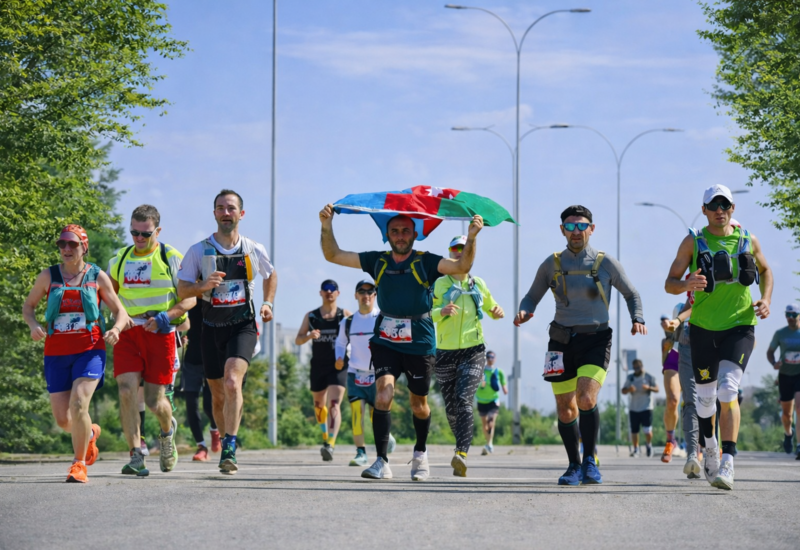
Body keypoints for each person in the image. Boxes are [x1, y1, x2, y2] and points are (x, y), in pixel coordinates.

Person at [319, 203, 484, 481]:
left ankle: (420, 455)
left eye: (405, 231)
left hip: (419, 340)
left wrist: (472, 237)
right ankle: (381, 460)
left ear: (414, 234)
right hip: (385, 338)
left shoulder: (426, 261)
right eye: (394, 231)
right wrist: (326, 225)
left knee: (418, 404)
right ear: (388, 234)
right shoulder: (378, 261)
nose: (400, 236)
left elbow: (462, 265)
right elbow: (333, 254)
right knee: (383, 394)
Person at [515, 205, 646, 486]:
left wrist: (638, 318)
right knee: (565, 409)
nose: (576, 232)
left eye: (581, 226)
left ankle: (589, 460)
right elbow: (531, 296)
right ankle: (573, 465)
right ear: (562, 230)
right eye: (570, 227)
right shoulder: (551, 264)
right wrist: (524, 311)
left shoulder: (606, 262)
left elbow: (631, 293)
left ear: (591, 228)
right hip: (560, 340)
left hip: (596, 338)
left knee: (586, 398)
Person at [665, 184, 773, 490]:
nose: (719, 211)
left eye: (724, 205)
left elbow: (766, 271)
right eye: (713, 206)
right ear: (704, 211)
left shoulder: (746, 239)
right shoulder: (693, 242)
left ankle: (728, 461)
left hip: (740, 325)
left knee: (728, 390)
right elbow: (669, 284)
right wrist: (687, 283)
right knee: (706, 399)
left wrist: (765, 299)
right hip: (702, 329)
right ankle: (709, 447)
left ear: (733, 209)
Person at [178, 190, 276, 474]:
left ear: (241, 214)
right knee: (217, 395)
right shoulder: (199, 251)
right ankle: (223, 438)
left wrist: (267, 303)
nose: (226, 213)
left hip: (242, 326)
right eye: (220, 208)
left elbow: (271, 275)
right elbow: (182, 288)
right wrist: (202, 286)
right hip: (210, 328)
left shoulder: (253, 249)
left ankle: (229, 446)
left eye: (231, 208)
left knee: (233, 383)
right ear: (214, 214)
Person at [23, 225, 130, 483]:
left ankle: (78, 464)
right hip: (56, 352)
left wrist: (116, 329)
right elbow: (29, 306)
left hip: (89, 349)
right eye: (62, 245)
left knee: (80, 402)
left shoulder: (97, 276)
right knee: (63, 420)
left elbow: (121, 312)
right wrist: (34, 325)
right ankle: (90, 434)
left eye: (72, 244)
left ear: (84, 247)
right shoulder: (48, 276)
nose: (67, 249)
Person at [108, 205, 196, 476]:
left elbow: (190, 299)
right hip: (129, 332)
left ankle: (167, 434)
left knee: (155, 401)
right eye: (134, 232)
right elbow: (112, 298)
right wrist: (117, 323)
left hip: (160, 332)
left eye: (144, 234)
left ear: (157, 230)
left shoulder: (171, 257)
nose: (138, 238)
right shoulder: (119, 260)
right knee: (126, 391)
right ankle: (136, 454)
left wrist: (165, 318)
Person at [432, 235, 504, 477]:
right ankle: (460, 445)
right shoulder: (440, 284)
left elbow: (491, 308)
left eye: (464, 249)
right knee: (451, 409)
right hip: (444, 353)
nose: (459, 252)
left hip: (474, 351)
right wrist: (440, 311)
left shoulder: (478, 284)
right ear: (449, 252)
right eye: (455, 248)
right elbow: (424, 313)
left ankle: (461, 453)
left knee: (463, 400)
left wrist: (497, 312)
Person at [334, 280, 396, 466]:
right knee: (356, 414)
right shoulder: (348, 321)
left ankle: (386, 440)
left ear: (375, 295)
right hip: (355, 374)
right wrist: (339, 357)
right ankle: (361, 453)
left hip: (379, 375)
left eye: (370, 292)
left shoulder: (382, 318)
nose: (366, 295)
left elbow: (392, 341)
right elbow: (340, 343)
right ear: (356, 295)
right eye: (362, 291)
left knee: (376, 414)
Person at [296, 280, 351, 461]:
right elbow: (298, 340)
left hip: (338, 366)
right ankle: (325, 436)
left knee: (334, 403)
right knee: (319, 405)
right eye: (326, 290)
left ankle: (330, 445)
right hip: (318, 365)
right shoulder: (311, 316)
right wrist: (309, 336)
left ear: (338, 293)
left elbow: (358, 337)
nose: (329, 292)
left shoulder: (345, 316)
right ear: (320, 293)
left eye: (332, 289)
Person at [181, 302, 221, 461]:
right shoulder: (189, 299)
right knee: (191, 404)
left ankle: (215, 427)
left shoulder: (216, 298)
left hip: (212, 357)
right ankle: (201, 447)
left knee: (209, 405)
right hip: (192, 358)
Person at [767, 303, 800, 458]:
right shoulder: (780, 333)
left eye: (793, 315)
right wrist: (774, 363)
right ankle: (788, 434)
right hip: (785, 375)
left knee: (799, 409)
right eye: (788, 315)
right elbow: (770, 352)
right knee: (787, 415)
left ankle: (799, 445)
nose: (790, 318)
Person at [659, 307, 683, 463]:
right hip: (673, 362)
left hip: (693, 357)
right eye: (662, 321)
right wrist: (666, 348)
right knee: (673, 400)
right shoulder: (666, 338)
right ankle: (670, 440)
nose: (663, 323)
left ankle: (701, 445)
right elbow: (663, 358)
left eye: (665, 319)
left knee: (697, 404)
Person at [622, 359, 659, 457]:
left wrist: (648, 388)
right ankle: (636, 449)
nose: (637, 369)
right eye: (635, 368)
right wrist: (630, 389)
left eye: (638, 367)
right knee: (634, 430)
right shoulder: (630, 378)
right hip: (634, 408)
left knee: (647, 430)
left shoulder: (648, 377)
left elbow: (657, 389)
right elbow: (623, 390)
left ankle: (649, 445)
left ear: (642, 366)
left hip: (646, 407)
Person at [475, 350, 507, 456]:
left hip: (494, 401)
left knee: (491, 421)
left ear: (495, 359)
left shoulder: (498, 372)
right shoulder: (481, 371)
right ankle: (488, 443)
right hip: (481, 400)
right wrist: (481, 384)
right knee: (485, 425)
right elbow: (477, 384)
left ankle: (489, 444)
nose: (490, 359)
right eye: (488, 357)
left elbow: (503, 384)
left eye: (492, 357)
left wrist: (504, 389)